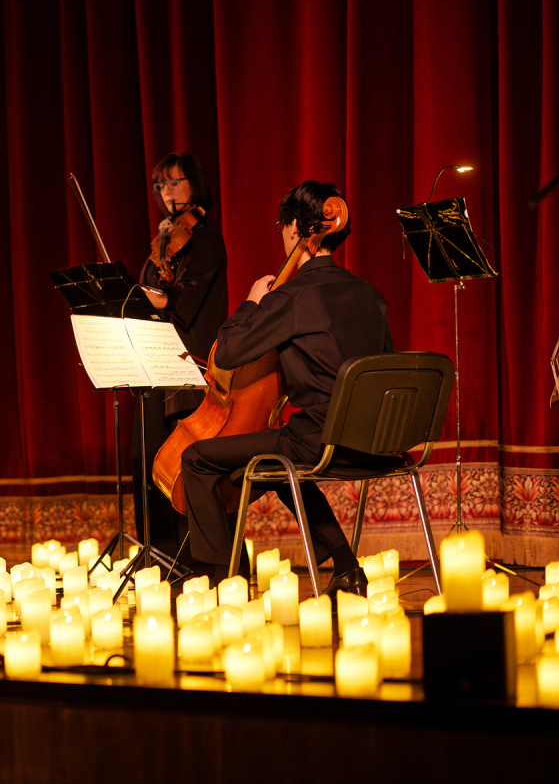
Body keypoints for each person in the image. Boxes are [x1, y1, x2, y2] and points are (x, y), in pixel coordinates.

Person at [178, 181, 391, 593]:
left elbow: (228, 353)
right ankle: (346, 566)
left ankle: (224, 579)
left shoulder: (292, 296)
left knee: (196, 458)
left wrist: (253, 302)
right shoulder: (371, 295)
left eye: (282, 228)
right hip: (377, 443)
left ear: (295, 227)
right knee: (272, 465)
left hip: (319, 442)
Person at [136, 153, 229, 565]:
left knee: (183, 468)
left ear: (195, 185)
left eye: (175, 182)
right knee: (150, 463)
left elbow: (186, 300)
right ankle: (160, 558)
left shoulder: (205, 238)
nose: (166, 192)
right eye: (161, 185)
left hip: (190, 365)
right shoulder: (164, 241)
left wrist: (153, 296)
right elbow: (151, 287)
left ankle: (199, 563)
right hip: (157, 364)